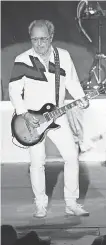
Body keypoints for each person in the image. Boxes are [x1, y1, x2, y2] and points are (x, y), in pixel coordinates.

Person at [9, 19, 90, 218]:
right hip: (31, 120)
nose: (38, 44)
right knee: (37, 163)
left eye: (43, 39)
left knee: (71, 157)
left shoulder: (63, 56)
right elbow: (14, 90)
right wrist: (25, 114)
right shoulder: (22, 59)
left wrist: (82, 99)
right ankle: (40, 205)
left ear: (51, 37)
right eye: (34, 39)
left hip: (58, 115)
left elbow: (72, 82)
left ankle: (71, 203)